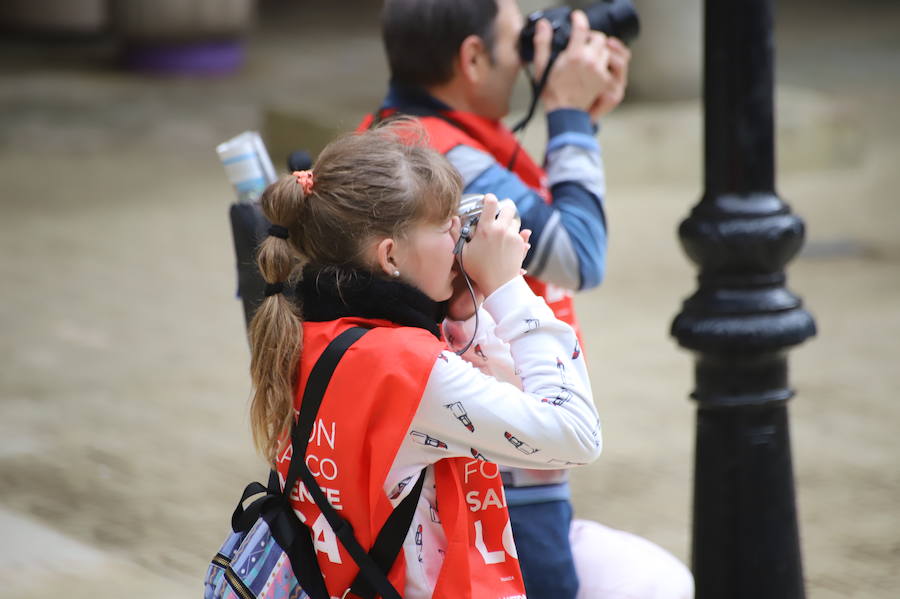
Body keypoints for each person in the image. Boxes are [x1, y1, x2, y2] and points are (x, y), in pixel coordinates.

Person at [360, 2, 693, 598]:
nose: (532, 58)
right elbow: (576, 253)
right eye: (519, 44)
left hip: (496, 433)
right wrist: (565, 115)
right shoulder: (434, 159)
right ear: (471, 57)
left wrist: (579, 120)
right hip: (498, 452)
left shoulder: (406, 140)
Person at [248, 124, 602, 599]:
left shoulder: (309, 329)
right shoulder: (410, 369)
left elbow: (501, 393)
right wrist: (508, 289)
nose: (460, 236)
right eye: (444, 226)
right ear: (390, 256)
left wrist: (460, 312)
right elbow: (576, 433)